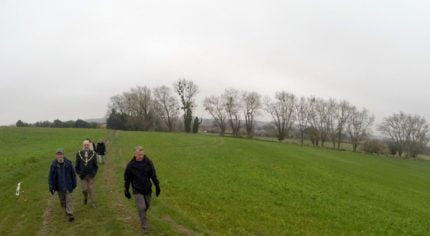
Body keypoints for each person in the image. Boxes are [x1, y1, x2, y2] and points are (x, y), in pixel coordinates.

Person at [124, 146, 161, 233]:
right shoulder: (131, 166)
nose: (141, 156)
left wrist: (157, 185)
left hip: (147, 189)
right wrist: (126, 189)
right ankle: (145, 228)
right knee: (142, 207)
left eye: (142, 155)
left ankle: (142, 215)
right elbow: (127, 178)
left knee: (146, 206)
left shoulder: (148, 162)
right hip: (137, 190)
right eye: (139, 155)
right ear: (135, 154)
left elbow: (153, 174)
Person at [48, 148, 77, 222]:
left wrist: (74, 183)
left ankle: (70, 214)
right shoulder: (53, 165)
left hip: (68, 185)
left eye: (61, 154)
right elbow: (50, 177)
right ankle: (66, 209)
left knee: (69, 200)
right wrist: (51, 186)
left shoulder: (68, 163)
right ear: (56, 156)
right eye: (58, 154)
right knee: (63, 201)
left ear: (63, 155)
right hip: (59, 187)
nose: (59, 156)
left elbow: (73, 174)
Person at [75, 140, 98, 208]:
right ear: (83, 145)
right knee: (84, 190)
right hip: (82, 176)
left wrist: (93, 174)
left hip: (90, 175)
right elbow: (76, 166)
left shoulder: (93, 154)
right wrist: (79, 173)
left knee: (91, 189)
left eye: (87, 144)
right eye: (85, 145)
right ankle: (85, 197)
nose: (86, 146)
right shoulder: (79, 154)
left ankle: (92, 203)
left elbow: (95, 166)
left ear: (89, 145)